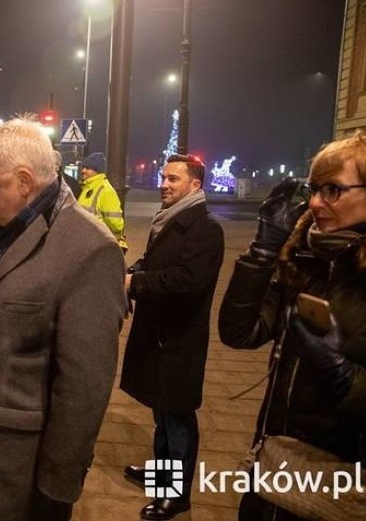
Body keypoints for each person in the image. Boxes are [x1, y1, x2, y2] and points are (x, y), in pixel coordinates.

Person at [0, 117, 127, 521]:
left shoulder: (90, 250)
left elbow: (83, 388)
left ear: (22, 181)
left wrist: (57, 490)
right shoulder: (1, 223)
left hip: (15, 472)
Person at [218, 132, 366, 520]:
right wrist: (262, 252)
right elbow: (239, 332)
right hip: (276, 469)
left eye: (333, 190)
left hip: (344, 488)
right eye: (314, 189)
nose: (315, 203)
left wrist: (344, 375)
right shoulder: (308, 257)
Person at [120, 154, 225, 520]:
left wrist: (137, 283)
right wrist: (136, 269)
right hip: (159, 334)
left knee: (178, 415)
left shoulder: (205, 229)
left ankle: (176, 494)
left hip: (179, 339)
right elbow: (158, 263)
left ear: (195, 185)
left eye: (173, 179)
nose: (164, 184)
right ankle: (161, 474)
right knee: (161, 410)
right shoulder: (171, 220)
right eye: (164, 177)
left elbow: (187, 281)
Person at [77, 152, 128, 252]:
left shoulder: (106, 190)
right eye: (83, 167)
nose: (83, 171)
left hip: (99, 246)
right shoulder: (88, 188)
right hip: (88, 244)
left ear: (97, 170)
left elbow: (117, 225)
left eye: (87, 168)